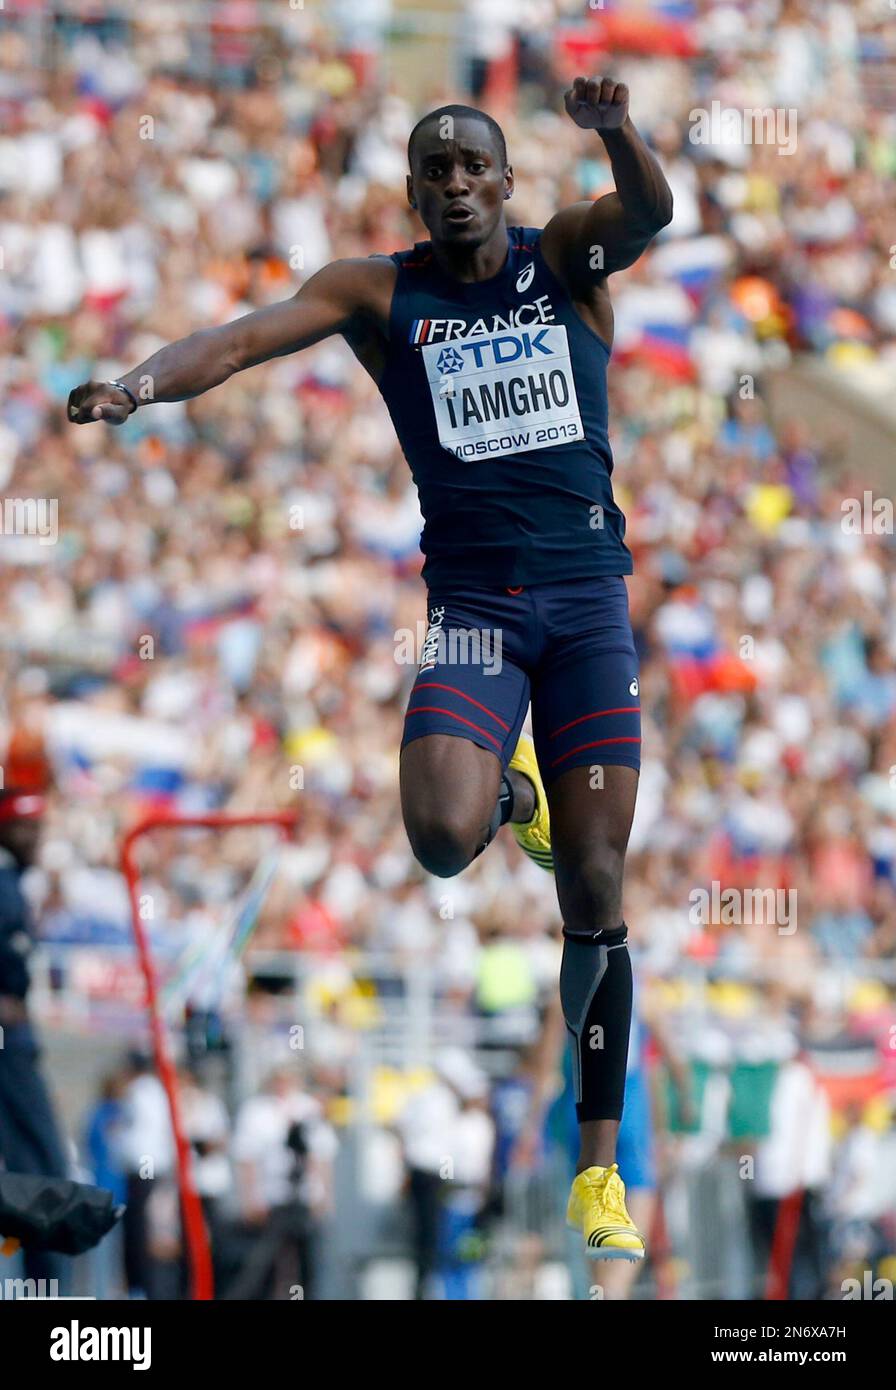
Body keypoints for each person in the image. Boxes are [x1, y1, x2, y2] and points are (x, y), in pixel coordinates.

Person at [67, 75, 674, 1261]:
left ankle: (594, 1171)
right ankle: (511, 796)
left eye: (473, 170)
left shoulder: (563, 258)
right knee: (443, 835)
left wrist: (612, 131)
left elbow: (645, 215)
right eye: (433, 173)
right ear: (412, 191)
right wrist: (138, 385)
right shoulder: (377, 293)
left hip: (588, 606)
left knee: (595, 887)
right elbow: (238, 340)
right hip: (469, 613)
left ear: (506, 184)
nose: (454, 188)